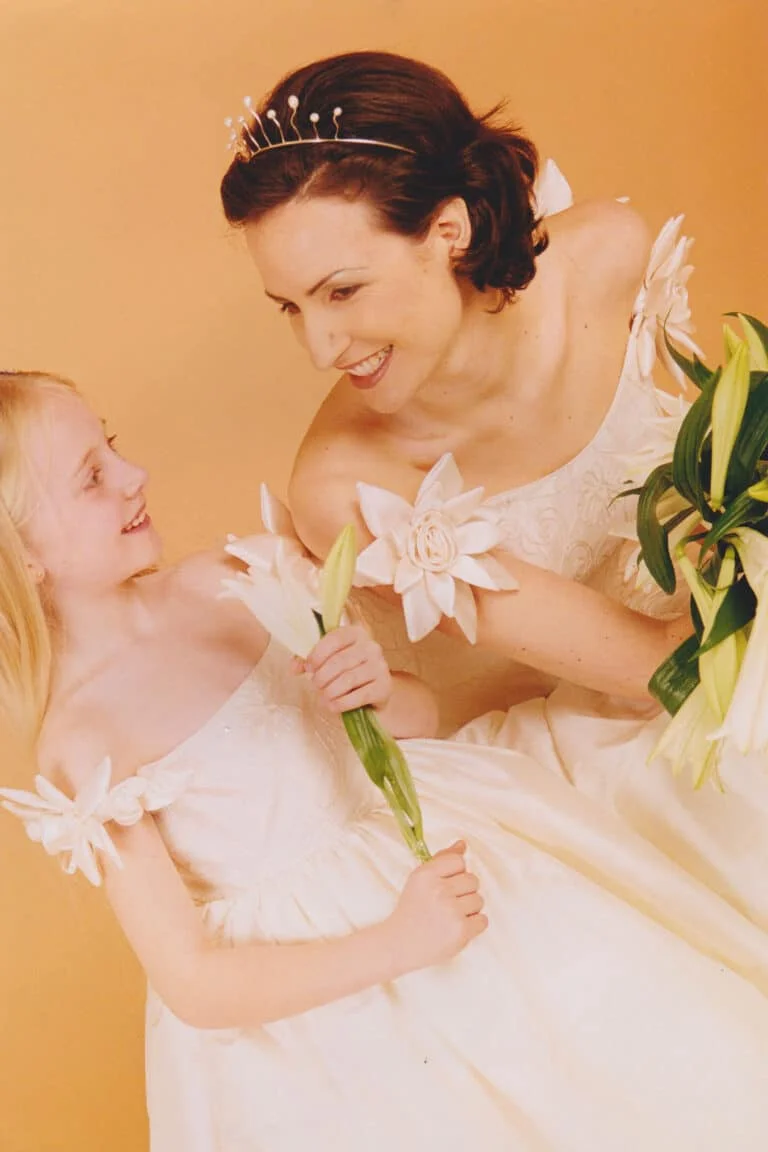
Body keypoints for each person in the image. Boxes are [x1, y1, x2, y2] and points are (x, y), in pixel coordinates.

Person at [2, 370, 768, 1150]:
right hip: (327, 1002)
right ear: (22, 552)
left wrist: (374, 686)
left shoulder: (232, 579)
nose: (135, 477)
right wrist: (402, 941)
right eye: (92, 477)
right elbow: (191, 981)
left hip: (445, 860)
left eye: (115, 448)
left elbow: (415, 718)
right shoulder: (82, 743)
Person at [219, 49, 768, 932]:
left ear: (449, 230)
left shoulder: (610, 256)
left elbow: (717, 475)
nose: (321, 346)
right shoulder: (346, 488)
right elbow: (659, 670)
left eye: (342, 291)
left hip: (706, 653)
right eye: (290, 307)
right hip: (550, 773)